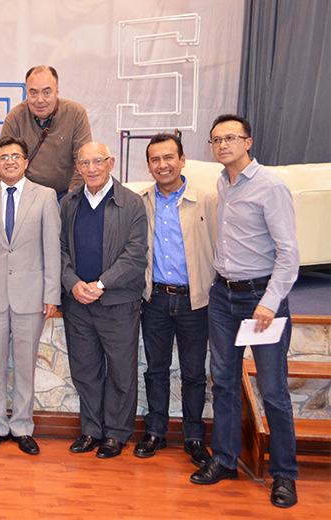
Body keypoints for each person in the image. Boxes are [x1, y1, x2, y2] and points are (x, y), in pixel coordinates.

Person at [190, 115, 299, 509]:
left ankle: (284, 474)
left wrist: (270, 302)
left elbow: (289, 254)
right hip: (223, 297)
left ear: (248, 142)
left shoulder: (271, 187)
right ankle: (224, 459)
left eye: (231, 138)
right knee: (223, 382)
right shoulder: (223, 183)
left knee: (272, 390)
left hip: (260, 300)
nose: (222, 145)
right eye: (216, 139)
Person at [0, 136, 61, 455]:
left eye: (15, 156)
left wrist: (51, 294)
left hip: (31, 297)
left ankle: (22, 426)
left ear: (25, 162)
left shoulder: (46, 197)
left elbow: (52, 247)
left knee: (24, 366)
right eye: (2, 157)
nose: (9, 161)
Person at [59, 141, 147, 459]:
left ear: (110, 162)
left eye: (98, 161)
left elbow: (135, 255)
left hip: (118, 302)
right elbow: (60, 251)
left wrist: (101, 284)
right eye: (85, 163)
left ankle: (116, 434)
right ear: (78, 167)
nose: (91, 168)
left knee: (122, 372)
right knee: (85, 370)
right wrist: (72, 283)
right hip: (78, 303)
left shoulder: (132, 203)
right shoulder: (68, 203)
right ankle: (92, 430)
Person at [133, 134, 216, 466]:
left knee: (194, 372)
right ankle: (155, 431)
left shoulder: (207, 201)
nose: (162, 165)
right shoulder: (141, 202)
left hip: (195, 300)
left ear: (182, 160)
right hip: (154, 299)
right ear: (148, 165)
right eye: (155, 159)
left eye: (169, 158)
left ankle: (194, 436)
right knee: (155, 370)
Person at [0, 66, 92, 197]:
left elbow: (83, 162)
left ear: (57, 92)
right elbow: (1, 163)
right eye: (33, 93)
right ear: (26, 93)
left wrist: (72, 201)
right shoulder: (15, 118)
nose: (40, 100)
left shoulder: (76, 114)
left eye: (46, 93)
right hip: (26, 196)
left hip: (65, 193)